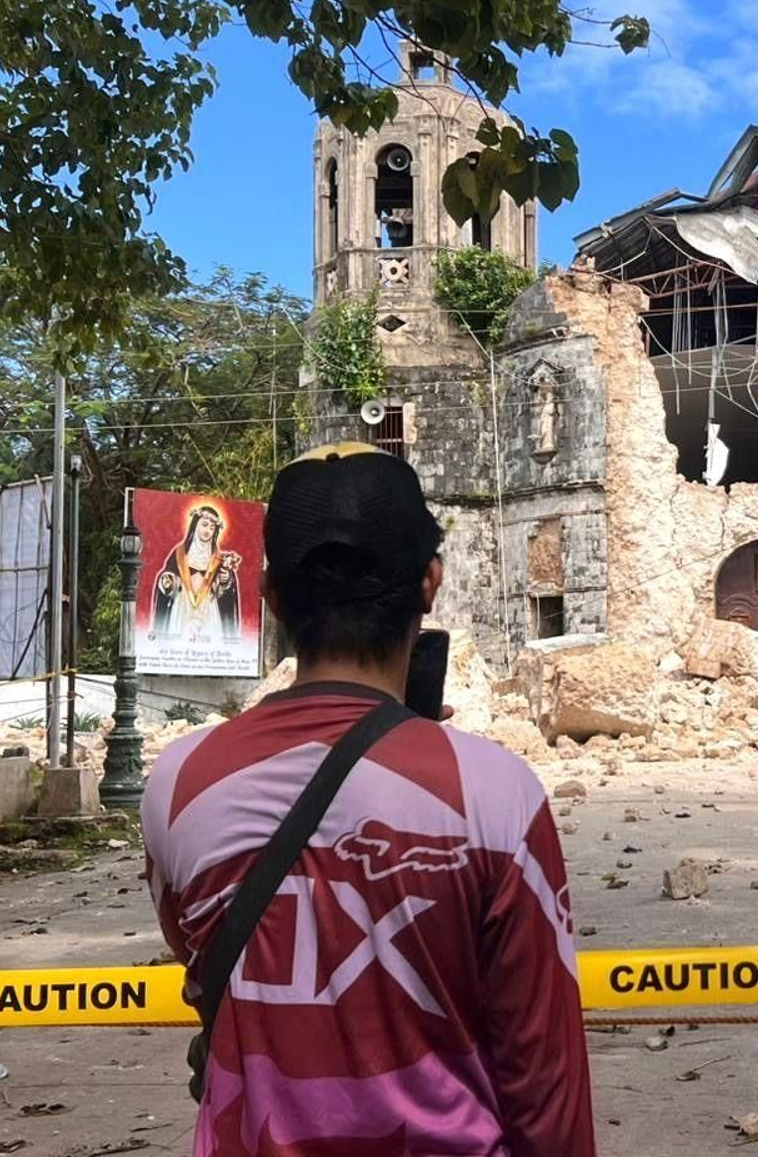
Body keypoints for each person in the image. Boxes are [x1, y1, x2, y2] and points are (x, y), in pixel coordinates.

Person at [142, 442, 594, 1157]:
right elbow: (545, 1087)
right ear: (430, 584)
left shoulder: (178, 783)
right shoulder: (498, 796)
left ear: (273, 598)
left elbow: (205, 971)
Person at [151, 503, 242, 642]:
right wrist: (169, 581)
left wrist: (225, 580)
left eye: (212, 528)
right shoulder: (180, 554)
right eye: (204, 525)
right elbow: (169, 578)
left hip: (209, 609)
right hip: (183, 606)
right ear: (195, 525)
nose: (207, 530)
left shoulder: (218, 558)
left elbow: (225, 594)